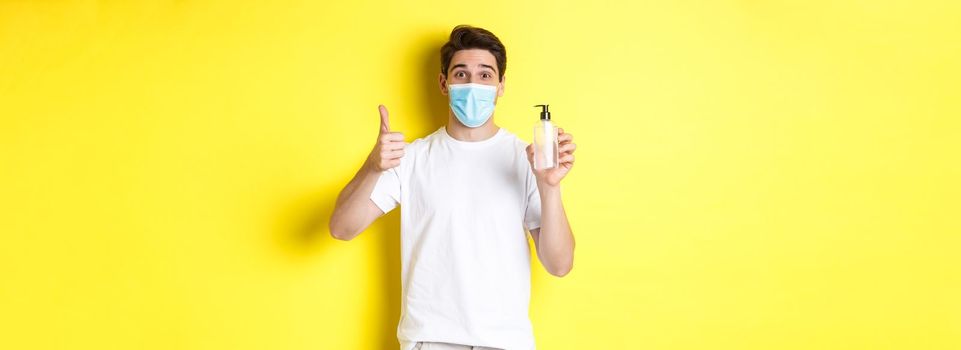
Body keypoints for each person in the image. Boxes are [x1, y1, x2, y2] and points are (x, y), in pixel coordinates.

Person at [328, 25, 576, 350]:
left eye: (485, 76)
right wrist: (372, 168)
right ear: (444, 84)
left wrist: (549, 186)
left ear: (501, 86)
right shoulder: (412, 158)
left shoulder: (527, 159)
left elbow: (559, 265)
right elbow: (342, 228)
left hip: (504, 343)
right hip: (430, 342)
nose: (473, 84)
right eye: (462, 74)